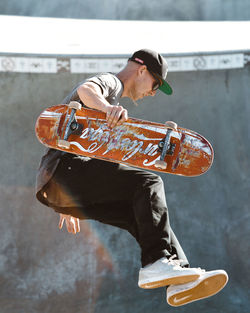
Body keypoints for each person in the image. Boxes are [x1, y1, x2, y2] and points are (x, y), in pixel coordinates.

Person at [36, 49, 228, 306]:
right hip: (65, 170)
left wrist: (67, 197)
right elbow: (86, 89)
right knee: (148, 183)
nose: (153, 92)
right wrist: (107, 108)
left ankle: (179, 277)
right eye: (155, 84)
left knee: (140, 213)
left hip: (63, 181)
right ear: (141, 70)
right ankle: (156, 263)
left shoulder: (114, 100)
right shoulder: (111, 83)